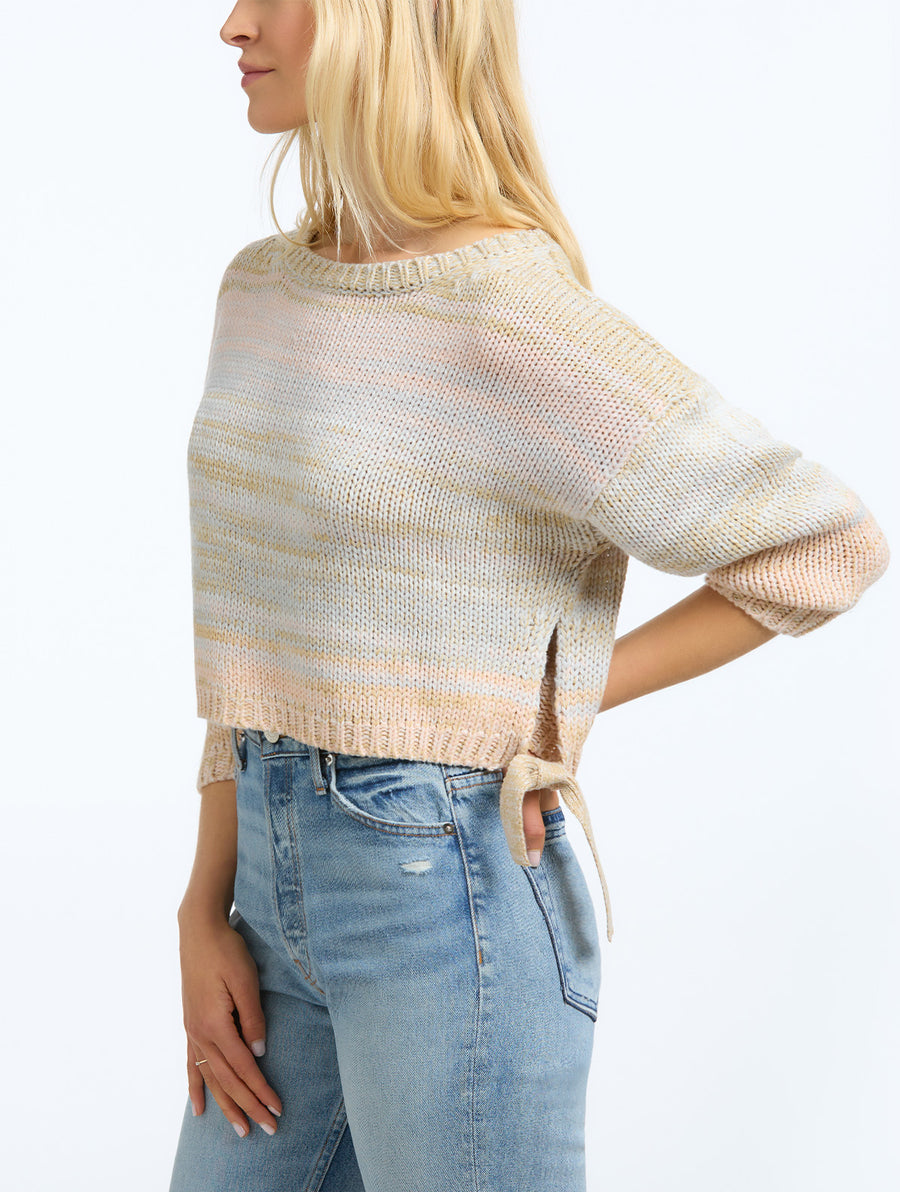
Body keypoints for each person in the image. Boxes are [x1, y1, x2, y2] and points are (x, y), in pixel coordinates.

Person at [167, 2, 890, 1190]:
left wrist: (553, 705)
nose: (235, 23)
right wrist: (202, 907)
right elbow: (250, 640)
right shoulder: (258, 292)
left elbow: (825, 543)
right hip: (263, 887)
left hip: (444, 900)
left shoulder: (509, 312)